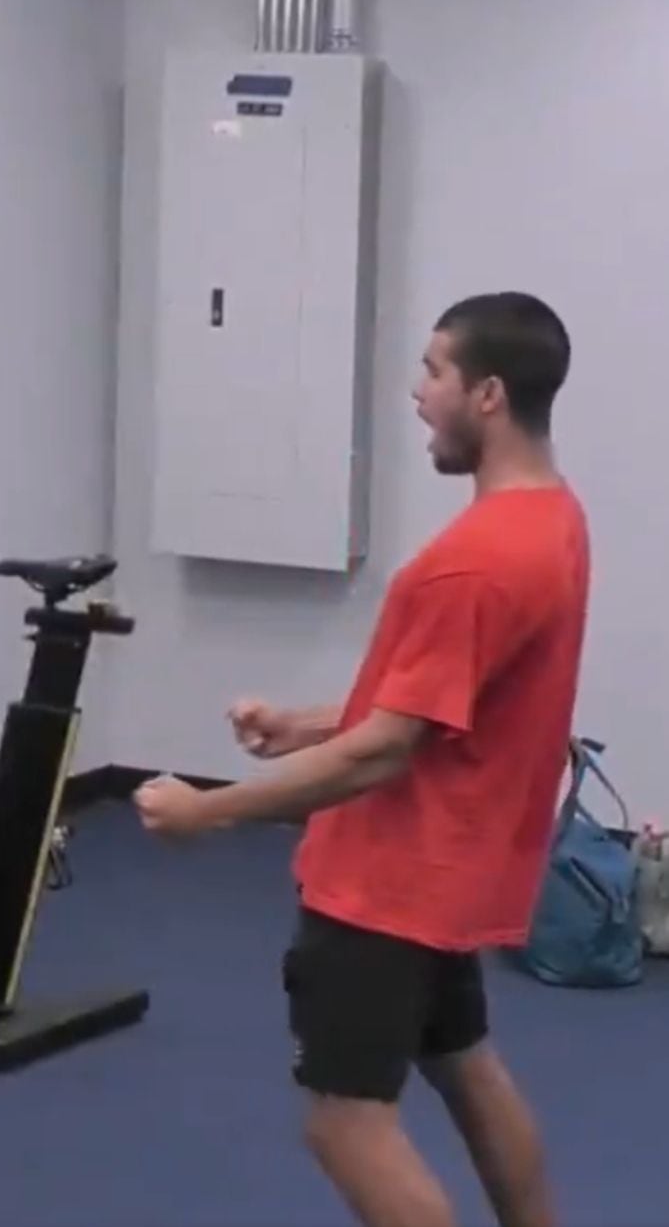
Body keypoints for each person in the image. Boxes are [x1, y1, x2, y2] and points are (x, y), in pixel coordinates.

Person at [136, 292, 585, 1227]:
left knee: (345, 1126)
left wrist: (206, 812)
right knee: (464, 1067)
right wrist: (302, 724)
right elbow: (439, 704)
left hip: (386, 885)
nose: (417, 392)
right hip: (451, 873)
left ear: (489, 394)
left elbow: (382, 751)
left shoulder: (472, 561)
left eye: (433, 371)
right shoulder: (554, 521)